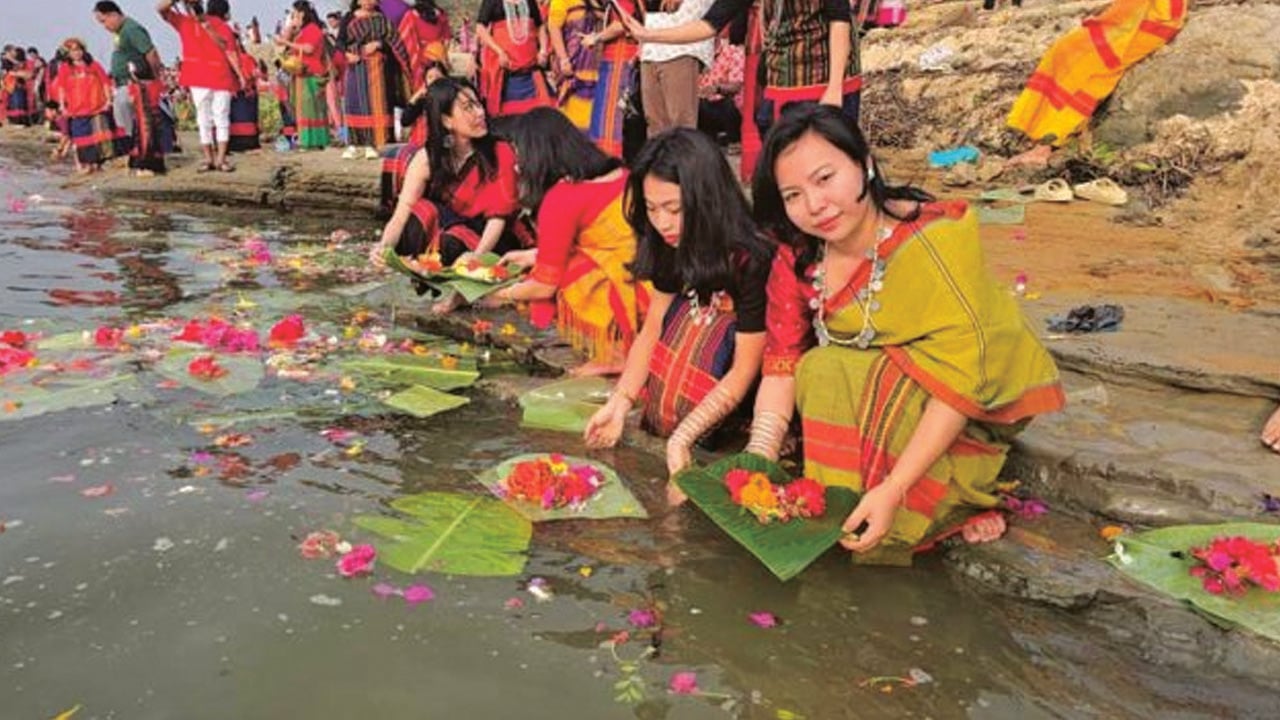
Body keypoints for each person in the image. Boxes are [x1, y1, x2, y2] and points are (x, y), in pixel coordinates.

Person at [745, 105, 1065, 564]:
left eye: (825, 178)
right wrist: (757, 461)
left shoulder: (931, 243)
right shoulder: (799, 256)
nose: (814, 205)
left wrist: (895, 487)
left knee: (837, 370)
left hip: (967, 400)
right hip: (883, 395)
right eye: (793, 195)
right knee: (819, 368)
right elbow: (781, 364)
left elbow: (962, 377)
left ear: (864, 164)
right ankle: (852, 505)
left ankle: (948, 502)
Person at [584, 128, 774, 482]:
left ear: (707, 200)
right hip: (695, 389)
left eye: (675, 209)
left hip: (742, 397)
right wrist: (620, 401)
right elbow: (653, 327)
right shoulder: (668, 243)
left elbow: (745, 368)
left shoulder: (752, 260)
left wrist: (685, 435)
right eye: (652, 209)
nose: (662, 223)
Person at [484, 108, 647, 373]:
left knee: (560, 276)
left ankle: (613, 351)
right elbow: (608, 242)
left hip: (622, 291)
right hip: (648, 280)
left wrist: (499, 294)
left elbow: (544, 287)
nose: (516, 166)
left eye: (520, 155)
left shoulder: (562, 197)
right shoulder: (620, 172)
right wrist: (531, 255)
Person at [618, 0, 860, 168]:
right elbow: (710, 24)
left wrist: (834, 88)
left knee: (828, 160)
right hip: (782, 76)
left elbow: (839, 18)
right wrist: (649, 35)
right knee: (779, 146)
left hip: (824, 76)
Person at [369, 78, 530, 308]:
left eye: (478, 104)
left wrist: (476, 259)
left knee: (450, 241)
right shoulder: (427, 159)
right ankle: (429, 278)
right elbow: (401, 215)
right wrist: (383, 248)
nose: (479, 113)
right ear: (446, 120)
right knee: (420, 211)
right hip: (452, 234)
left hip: (492, 239)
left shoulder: (500, 151)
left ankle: (458, 290)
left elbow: (498, 218)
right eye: (468, 108)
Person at [159, 0, 246, 173]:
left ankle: (220, 158)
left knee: (219, 118)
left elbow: (226, 47)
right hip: (200, 78)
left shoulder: (218, 25)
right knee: (205, 119)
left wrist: (206, 26)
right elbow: (161, 9)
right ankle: (209, 158)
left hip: (219, 77)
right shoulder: (184, 22)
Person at [94, 0, 169, 176]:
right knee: (128, 124)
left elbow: (150, 52)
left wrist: (155, 77)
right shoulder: (120, 33)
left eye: (104, 21)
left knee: (140, 124)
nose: (104, 27)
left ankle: (145, 158)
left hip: (136, 85)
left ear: (113, 14)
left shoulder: (131, 29)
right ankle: (135, 155)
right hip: (124, 84)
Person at [339, 0, 411, 158]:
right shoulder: (349, 18)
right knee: (354, 103)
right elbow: (340, 42)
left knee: (375, 105)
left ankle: (372, 144)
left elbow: (395, 42)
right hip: (355, 67)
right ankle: (353, 144)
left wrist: (379, 44)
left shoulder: (382, 19)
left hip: (377, 68)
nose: (368, 1)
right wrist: (347, 54)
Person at [638, 0, 714, 138]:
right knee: (655, 123)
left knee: (681, 124)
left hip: (681, 48)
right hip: (650, 47)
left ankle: (683, 153)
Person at [51, 38, 123, 173]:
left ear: (83, 51)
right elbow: (61, 87)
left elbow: (105, 83)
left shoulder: (94, 65)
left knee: (98, 138)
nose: (76, 53)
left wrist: (108, 101)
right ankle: (84, 165)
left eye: (78, 50)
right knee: (81, 139)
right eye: (73, 51)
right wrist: (62, 105)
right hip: (76, 110)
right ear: (68, 53)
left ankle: (97, 165)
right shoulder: (65, 68)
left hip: (96, 108)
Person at [580, 0, 640, 157]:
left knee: (610, 119)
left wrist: (596, 38)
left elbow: (622, 24)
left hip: (619, 58)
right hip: (615, 58)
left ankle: (609, 160)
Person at [475, 0, 554, 118]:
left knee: (542, 114)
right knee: (509, 117)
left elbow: (540, 25)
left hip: (531, 70)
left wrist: (543, 50)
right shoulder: (492, 2)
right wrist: (499, 51)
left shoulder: (529, 1)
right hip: (506, 71)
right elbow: (480, 28)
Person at [276, 0, 332, 150]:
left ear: (302, 14)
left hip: (311, 73)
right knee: (304, 108)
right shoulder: (301, 31)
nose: (293, 16)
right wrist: (289, 30)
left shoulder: (312, 29)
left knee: (311, 109)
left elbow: (309, 48)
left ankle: (313, 141)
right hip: (301, 74)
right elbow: (283, 45)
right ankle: (308, 139)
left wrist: (288, 43)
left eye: (295, 14)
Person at [545, 0, 601, 131]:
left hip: (599, 64)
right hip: (574, 65)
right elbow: (554, 28)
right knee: (572, 118)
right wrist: (563, 59)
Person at [399, 0, 451, 93]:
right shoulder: (441, 14)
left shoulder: (411, 15)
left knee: (423, 90)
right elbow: (447, 39)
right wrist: (442, 55)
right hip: (439, 58)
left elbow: (403, 38)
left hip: (421, 60)